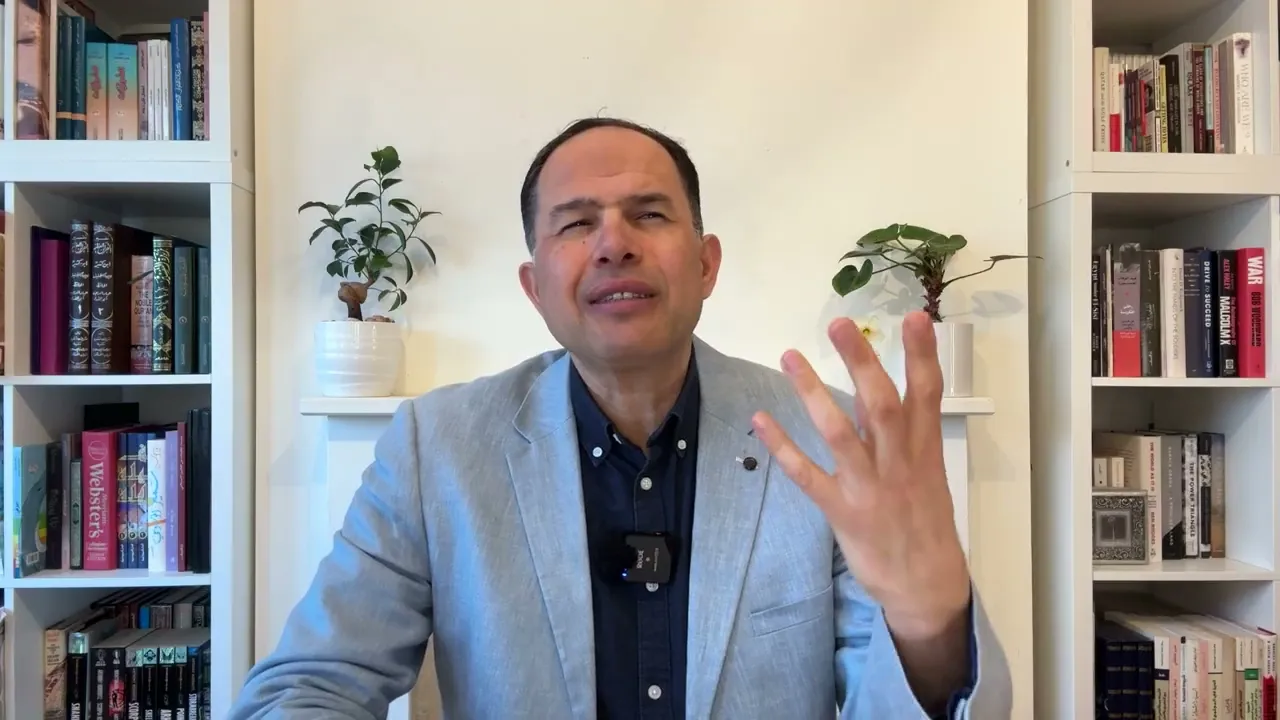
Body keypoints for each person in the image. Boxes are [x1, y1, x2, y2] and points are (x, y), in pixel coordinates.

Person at [229, 117, 1013, 719]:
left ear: (705, 264)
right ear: (535, 287)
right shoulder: (436, 448)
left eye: (649, 214)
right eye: (576, 222)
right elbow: (309, 685)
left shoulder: (825, 441)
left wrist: (930, 624)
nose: (613, 244)